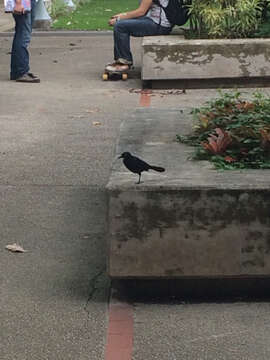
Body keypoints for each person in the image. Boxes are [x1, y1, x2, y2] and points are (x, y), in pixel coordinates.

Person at [106, 0, 172, 72]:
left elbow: (141, 12)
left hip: (159, 26)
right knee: (121, 23)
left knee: (120, 27)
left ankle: (124, 62)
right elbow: (144, 11)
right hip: (158, 23)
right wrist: (122, 15)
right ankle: (121, 60)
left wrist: (119, 19)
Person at [10, 0, 40, 83]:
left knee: (22, 33)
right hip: (23, 2)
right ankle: (21, 71)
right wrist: (18, 3)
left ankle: (17, 71)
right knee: (23, 35)